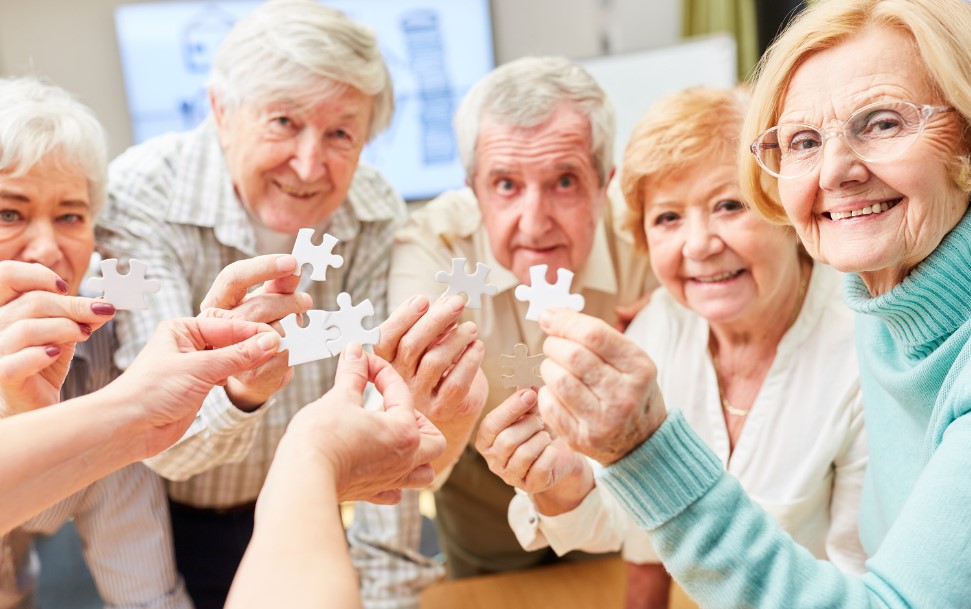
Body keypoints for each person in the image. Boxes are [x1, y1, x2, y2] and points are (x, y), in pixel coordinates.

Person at [534, 0, 971, 607]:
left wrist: (646, 451)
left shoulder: (859, 327)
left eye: (884, 122)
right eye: (803, 141)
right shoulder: (884, 307)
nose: (836, 171)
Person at [95, 1, 485, 607]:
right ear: (222, 112)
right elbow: (161, 442)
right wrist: (240, 391)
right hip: (181, 521)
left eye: (340, 134)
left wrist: (383, 598)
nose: (308, 164)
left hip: (326, 504)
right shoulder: (139, 198)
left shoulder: (374, 207)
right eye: (283, 122)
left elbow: (391, 409)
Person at [481, 87, 868, 609]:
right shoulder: (661, 326)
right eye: (667, 218)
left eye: (729, 205)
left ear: (788, 207)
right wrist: (562, 484)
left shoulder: (863, 353)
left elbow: (866, 591)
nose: (699, 244)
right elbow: (629, 523)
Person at [347, 55, 656, 606]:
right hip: (483, 481)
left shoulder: (648, 239)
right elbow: (407, 433)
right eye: (507, 185)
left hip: (621, 475)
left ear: (604, 182)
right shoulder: (433, 248)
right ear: (473, 189)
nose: (535, 223)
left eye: (564, 181)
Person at [0, 76, 192, 609]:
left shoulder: (103, 349)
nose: (46, 248)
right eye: (7, 213)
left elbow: (141, 577)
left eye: (70, 216)